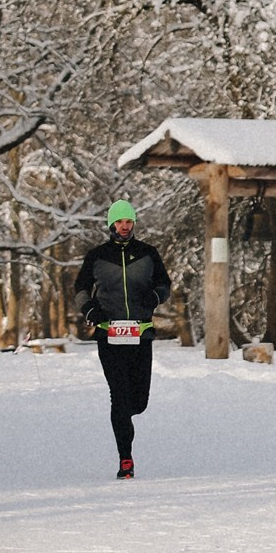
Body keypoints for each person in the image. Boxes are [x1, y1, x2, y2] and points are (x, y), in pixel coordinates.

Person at [73, 199, 174, 480]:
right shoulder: (97, 256)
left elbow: (164, 285)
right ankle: (125, 459)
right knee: (118, 396)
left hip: (140, 333)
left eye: (129, 221)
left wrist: (154, 297)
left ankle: (125, 416)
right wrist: (89, 309)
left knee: (138, 402)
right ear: (111, 224)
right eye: (119, 222)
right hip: (110, 333)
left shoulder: (147, 253)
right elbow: (80, 288)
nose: (125, 226)